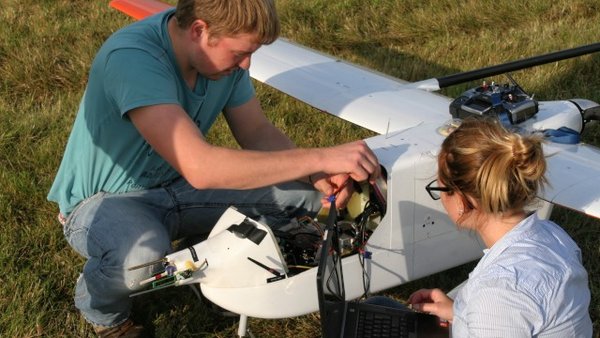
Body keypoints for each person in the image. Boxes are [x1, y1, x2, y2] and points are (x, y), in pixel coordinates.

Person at [47, 0, 380, 336]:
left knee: (310, 198)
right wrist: (321, 158)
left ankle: (202, 241)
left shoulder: (222, 62)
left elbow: (256, 132)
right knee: (139, 260)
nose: (247, 64)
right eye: (239, 53)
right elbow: (201, 167)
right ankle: (101, 307)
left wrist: (316, 175)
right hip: (105, 201)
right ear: (199, 30)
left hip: (181, 185)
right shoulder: (133, 58)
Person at [371, 118, 592, 337]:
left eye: (440, 188)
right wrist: (458, 312)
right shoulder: (553, 235)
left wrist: (478, 312)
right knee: (378, 305)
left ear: (463, 200)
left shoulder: (500, 291)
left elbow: (507, 306)